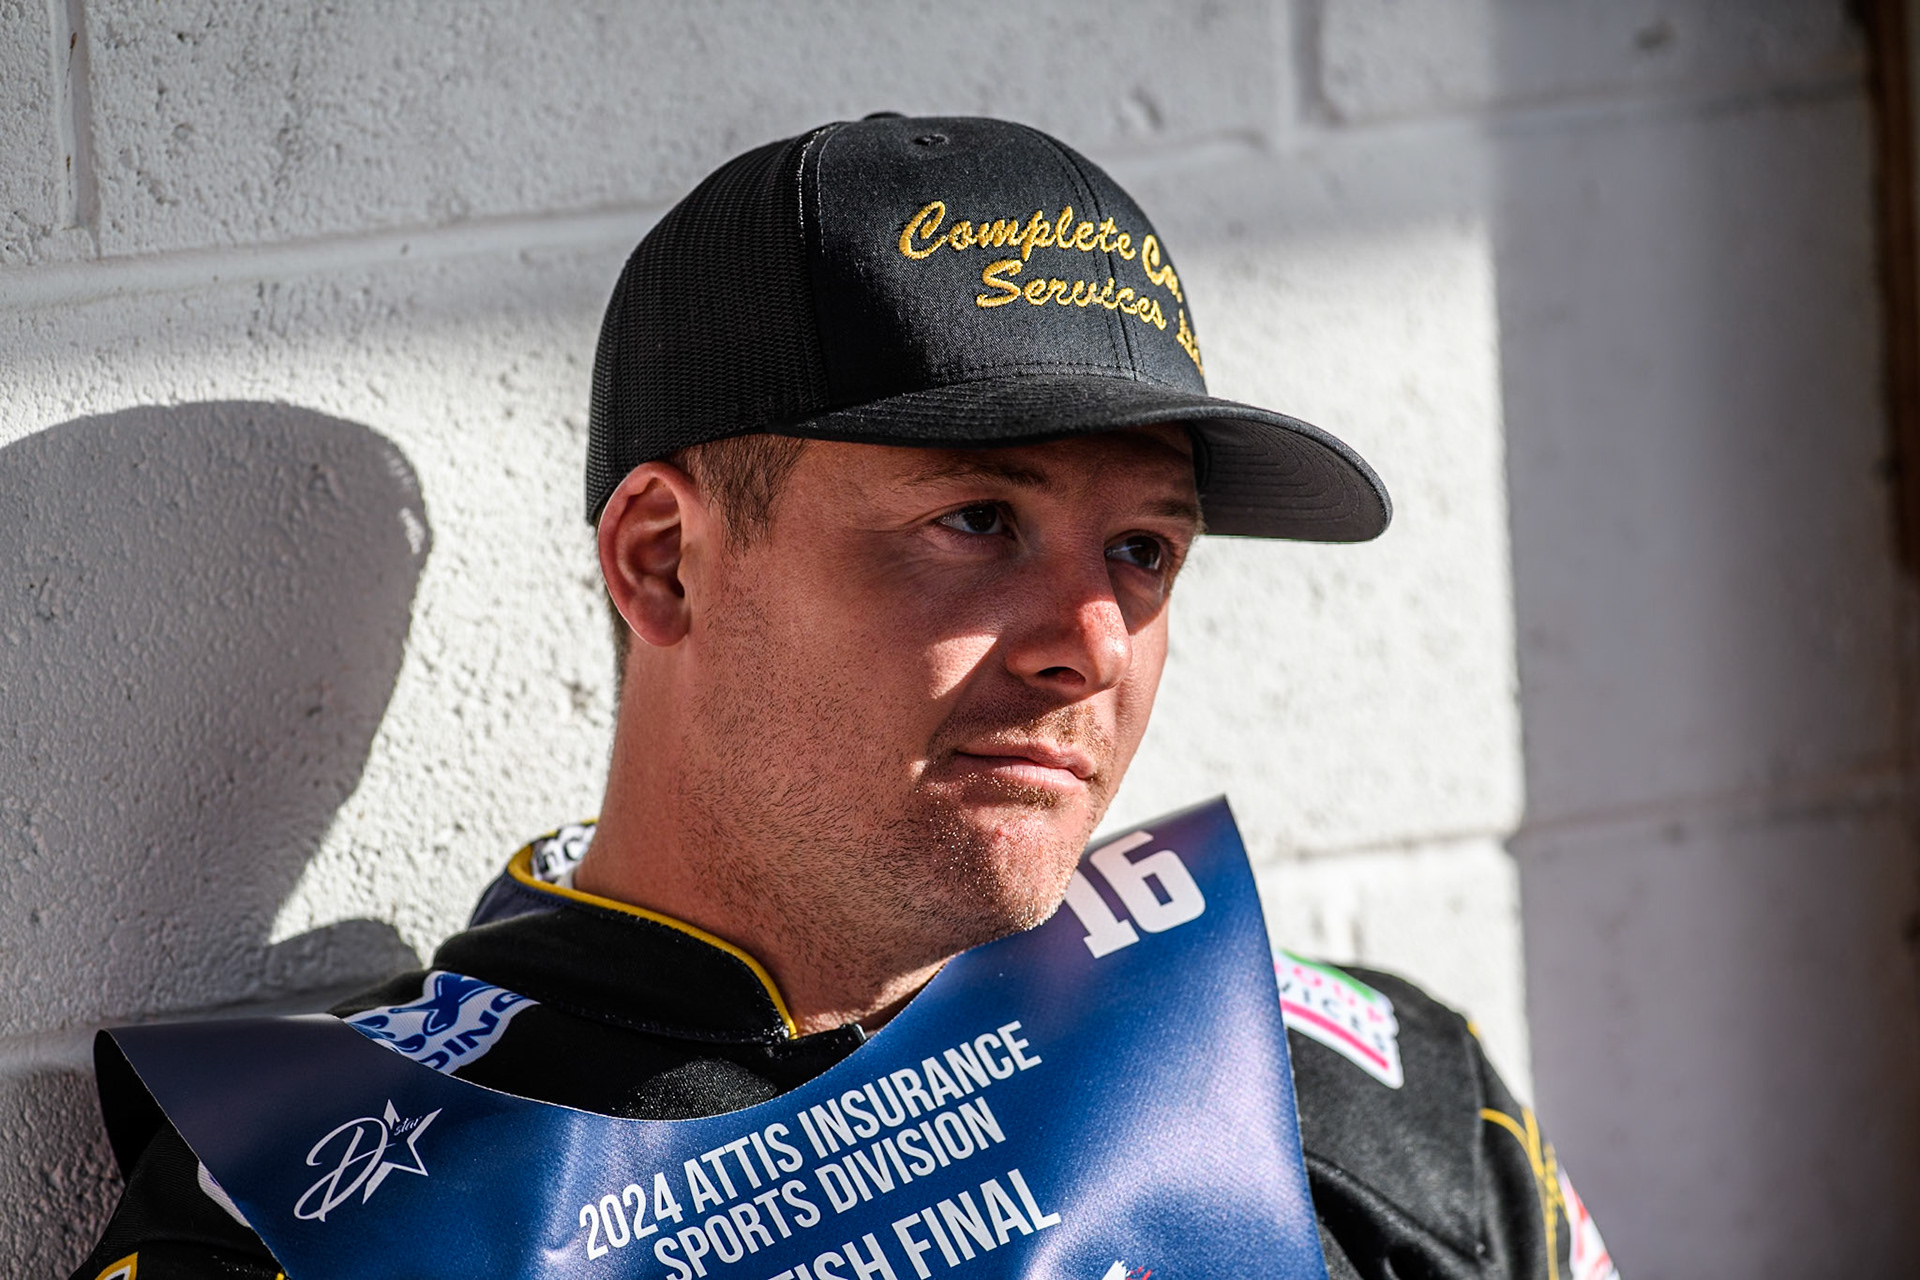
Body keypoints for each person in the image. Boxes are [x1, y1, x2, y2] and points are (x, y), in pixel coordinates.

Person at [70, 114, 1615, 1280]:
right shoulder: (324, 1207)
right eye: (978, 523)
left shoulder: (1357, 1090)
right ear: (666, 561)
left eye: (1144, 549)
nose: (1092, 639)